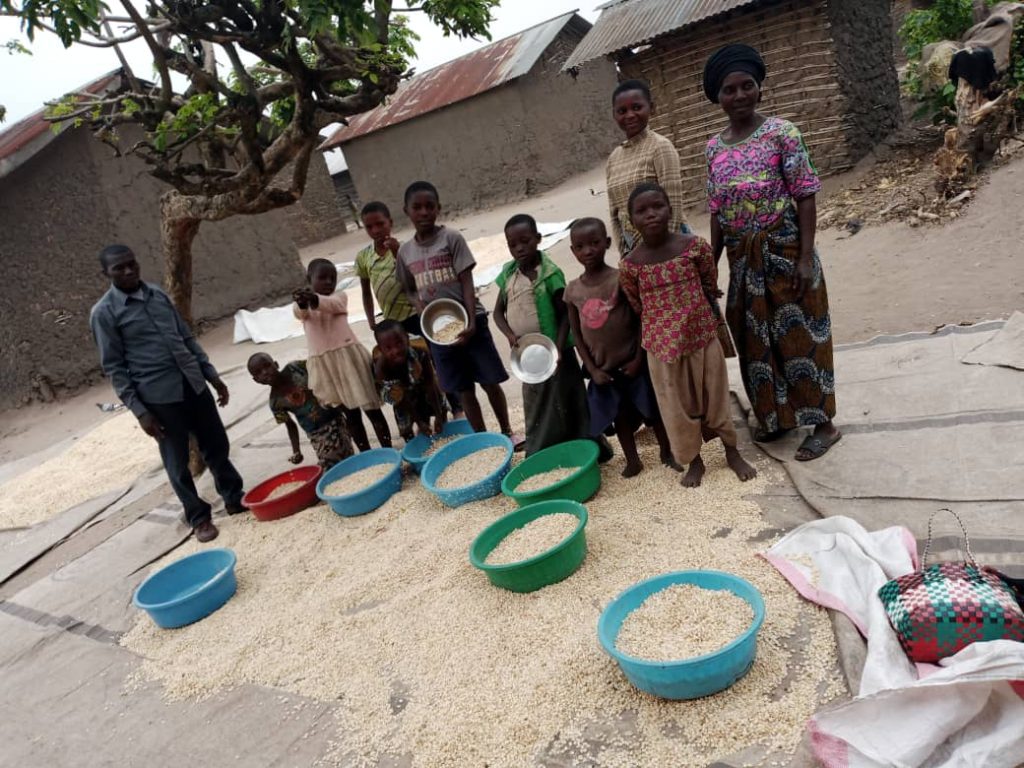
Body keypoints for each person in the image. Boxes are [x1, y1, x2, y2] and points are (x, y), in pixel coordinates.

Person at [703, 43, 841, 461]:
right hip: (744, 260)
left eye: (748, 86)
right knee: (755, 340)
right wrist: (712, 262)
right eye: (730, 89)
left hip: (784, 250)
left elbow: (805, 196)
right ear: (718, 97)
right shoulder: (713, 149)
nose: (740, 95)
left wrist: (804, 256)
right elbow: (717, 211)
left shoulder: (783, 133)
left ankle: (823, 424)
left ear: (760, 89)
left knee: (799, 334)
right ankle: (776, 416)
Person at [89, 245, 245, 543]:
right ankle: (198, 517)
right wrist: (140, 412)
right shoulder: (104, 314)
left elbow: (185, 337)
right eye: (118, 268)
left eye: (131, 264)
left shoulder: (157, 294)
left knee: (216, 445)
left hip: (193, 384)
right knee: (177, 461)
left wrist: (211, 375)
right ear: (105, 274)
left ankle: (234, 497)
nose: (128, 271)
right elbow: (115, 368)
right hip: (159, 397)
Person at [620, 183, 758, 488]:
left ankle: (732, 452)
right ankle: (694, 461)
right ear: (631, 221)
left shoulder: (694, 247)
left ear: (670, 209)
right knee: (675, 406)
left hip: (702, 337)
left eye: (657, 206)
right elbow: (636, 304)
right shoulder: (630, 266)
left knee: (716, 397)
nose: (651, 214)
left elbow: (710, 284)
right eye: (641, 211)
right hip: (662, 349)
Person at [396, 180, 516, 441]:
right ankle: (483, 439)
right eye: (417, 207)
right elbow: (408, 287)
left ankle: (507, 431)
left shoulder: (451, 238)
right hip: (438, 330)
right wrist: (419, 306)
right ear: (407, 211)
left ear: (438, 208)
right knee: (463, 388)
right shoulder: (405, 251)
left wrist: (471, 321)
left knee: (489, 380)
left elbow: (466, 281)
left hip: (471, 321)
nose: (424, 212)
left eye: (430, 206)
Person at [565, 217, 677, 477]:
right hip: (604, 369)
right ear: (573, 251)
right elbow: (577, 335)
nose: (588, 251)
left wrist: (639, 357)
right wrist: (592, 370)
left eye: (594, 243)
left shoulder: (620, 279)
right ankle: (632, 460)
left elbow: (641, 318)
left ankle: (667, 451)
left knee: (653, 410)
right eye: (580, 247)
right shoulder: (572, 291)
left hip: (632, 363)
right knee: (620, 417)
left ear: (606, 243)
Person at [493, 214, 595, 457]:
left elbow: (565, 315)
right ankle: (541, 448)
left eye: (525, 241)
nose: (519, 248)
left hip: (557, 351)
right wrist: (509, 334)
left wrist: (558, 348)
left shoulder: (549, 274)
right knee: (537, 401)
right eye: (512, 244)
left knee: (566, 397)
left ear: (538, 239)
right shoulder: (508, 274)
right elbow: (497, 313)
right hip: (529, 354)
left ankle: (584, 446)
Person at [356, 200, 463, 418]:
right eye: (369, 227)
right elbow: (366, 290)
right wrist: (370, 318)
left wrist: (396, 252)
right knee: (405, 365)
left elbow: (415, 279)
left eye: (380, 224)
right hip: (392, 323)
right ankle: (422, 413)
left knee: (435, 357)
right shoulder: (364, 257)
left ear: (390, 223)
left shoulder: (406, 248)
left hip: (416, 314)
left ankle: (457, 406)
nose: (376, 230)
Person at [293, 259, 392, 451]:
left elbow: (331, 305)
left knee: (372, 410)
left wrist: (313, 299)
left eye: (332, 278)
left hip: (350, 362)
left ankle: (388, 450)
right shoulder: (303, 307)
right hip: (329, 369)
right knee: (352, 416)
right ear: (309, 279)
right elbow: (299, 312)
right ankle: (368, 455)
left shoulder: (339, 297)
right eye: (322, 278)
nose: (329, 282)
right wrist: (303, 301)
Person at [606, 78, 690, 258]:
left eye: (636, 107)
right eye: (622, 111)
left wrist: (664, 251)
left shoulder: (660, 147)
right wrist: (625, 254)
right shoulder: (614, 158)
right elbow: (615, 213)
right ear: (614, 115)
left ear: (651, 108)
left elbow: (673, 203)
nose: (629, 115)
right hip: (634, 249)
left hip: (668, 246)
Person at [247, 353, 355, 468]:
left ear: (276, 364)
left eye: (267, 366)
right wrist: (296, 451)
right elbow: (290, 425)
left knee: (340, 459)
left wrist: (349, 415)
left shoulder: (295, 367)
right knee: (332, 463)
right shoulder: (274, 402)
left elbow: (318, 369)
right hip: (316, 434)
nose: (265, 372)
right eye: (258, 372)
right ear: (256, 380)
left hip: (335, 419)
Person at [372, 320, 447, 441]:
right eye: (388, 348)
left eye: (399, 343)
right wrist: (418, 422)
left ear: (407, 339)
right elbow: (400, 399)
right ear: (381, 349)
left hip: (421, 382)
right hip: (398, 393)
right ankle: (413, 438)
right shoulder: (382, 368)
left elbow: (430, 384)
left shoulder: (420, 350)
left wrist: (438, 415)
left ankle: (438, 424)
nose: (395, 350)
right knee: (405, 425)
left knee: (438, 400)